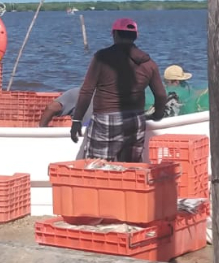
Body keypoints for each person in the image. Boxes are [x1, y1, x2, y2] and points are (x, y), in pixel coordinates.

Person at [71, 17, 168, 162]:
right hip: (136, 120)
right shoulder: (149, 63)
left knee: (98, 167)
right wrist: (158, 114)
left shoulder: (102, 58)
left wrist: (77, 120)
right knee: (130, 168)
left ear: (114, 34)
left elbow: (86, 91)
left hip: (106, 119)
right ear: (136, 36)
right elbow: (161, 95)